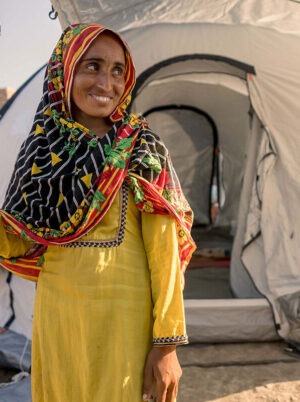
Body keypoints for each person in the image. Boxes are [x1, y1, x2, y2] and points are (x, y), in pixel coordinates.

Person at [0, 23, 196, 402]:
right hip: (59, 319)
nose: (106, 82)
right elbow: (17, 240)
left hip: (125, 321)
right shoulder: (40, 151)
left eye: (118, 70)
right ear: (64, 70)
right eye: (92, 66)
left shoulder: (140, 148)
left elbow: (164, 254)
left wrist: (167, 345)